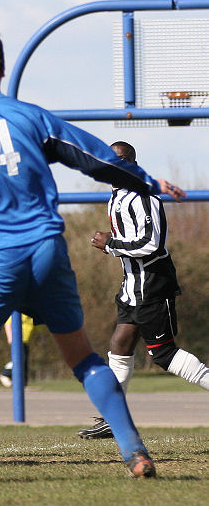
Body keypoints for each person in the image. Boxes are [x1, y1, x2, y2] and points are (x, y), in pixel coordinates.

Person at [0, 27, 186, 481]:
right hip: (46, 250)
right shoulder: (31, 117)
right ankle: (135, 452)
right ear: (2, 70)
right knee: (83, 360)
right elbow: (92, 155)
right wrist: (143, 180)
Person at [77, 140, 209, 439]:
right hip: (132, 285)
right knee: (120, 342)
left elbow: (152, 244)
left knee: (163, 354)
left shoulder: (142, 194)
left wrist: (110, 244)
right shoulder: (116, 195)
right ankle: (113, 416)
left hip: (152, 282)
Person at [0, 314, 39, 387]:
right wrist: (10, 337)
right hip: (17, 340)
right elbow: (8, 323)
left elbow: (38, 328)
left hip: (25, 341)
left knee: (24, 361)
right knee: (20, 360)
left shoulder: (32, 316)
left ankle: (22, 383)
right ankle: (5, 373)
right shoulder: (20, 313)